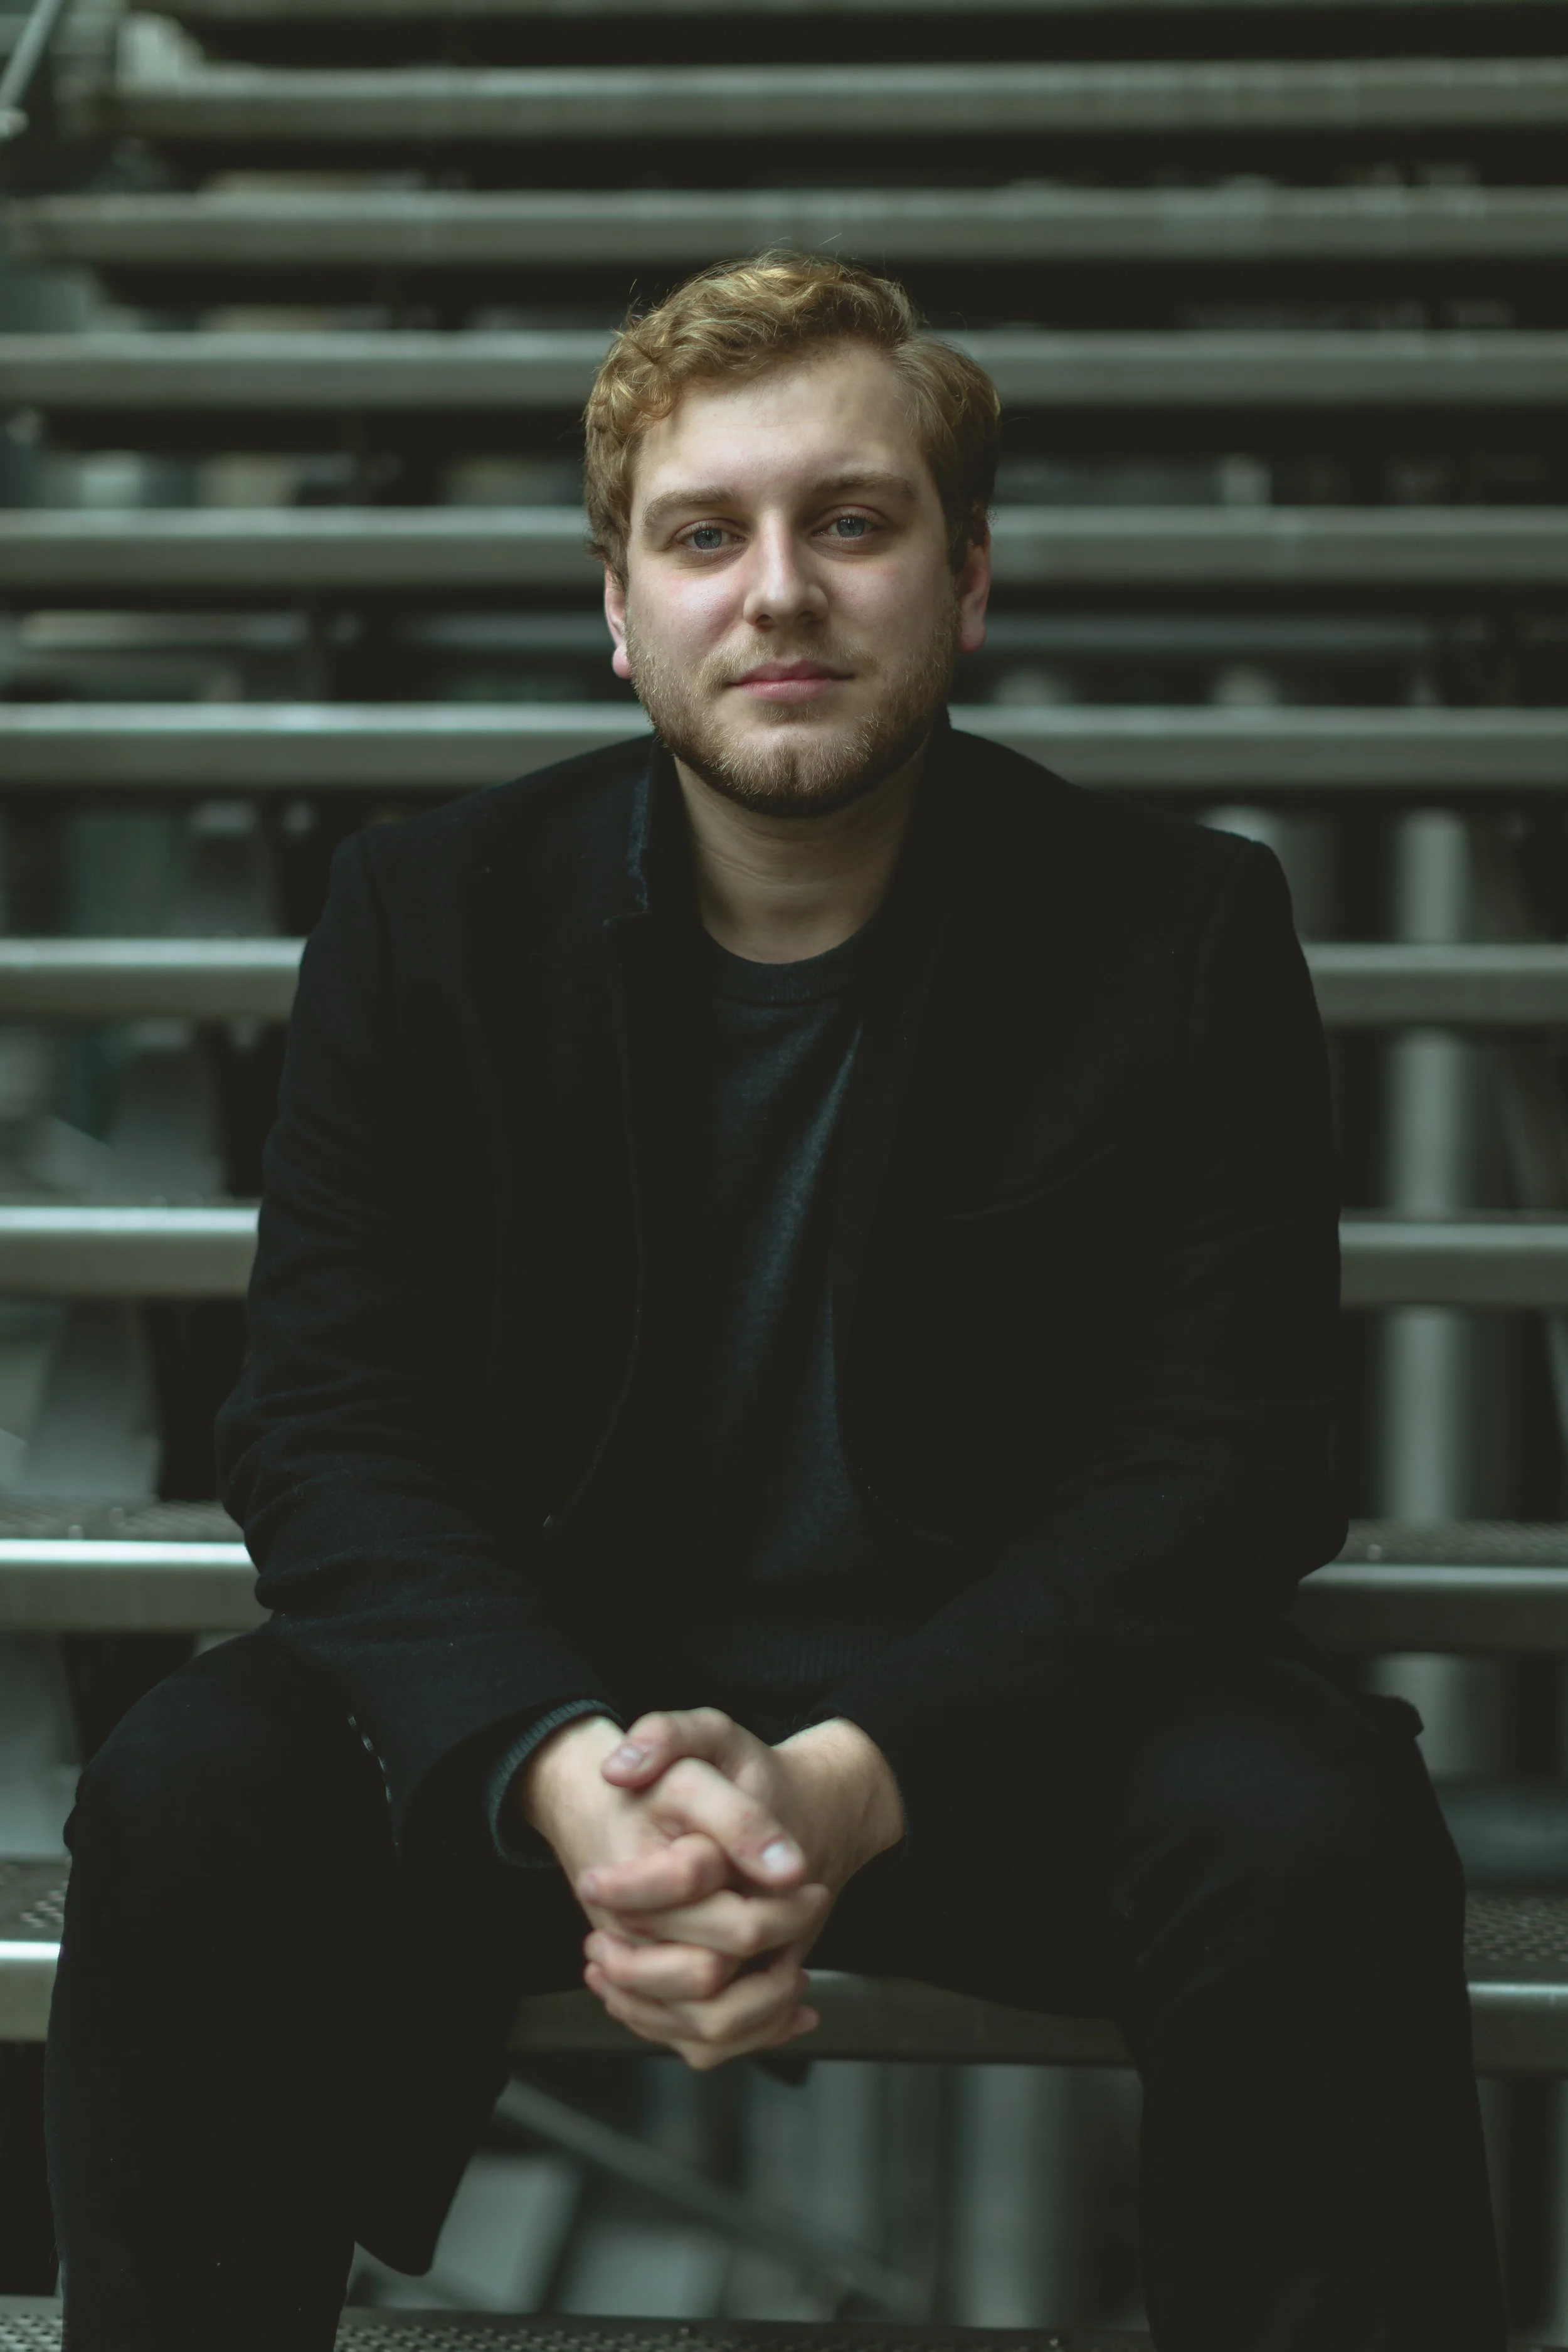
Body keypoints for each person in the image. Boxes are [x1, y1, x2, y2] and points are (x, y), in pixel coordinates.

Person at [45, 252, 1504, 2351]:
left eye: (852, 519)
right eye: (704, 534)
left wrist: (846, 1774)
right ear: (619, 611)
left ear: (966, 577)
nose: (780, 591)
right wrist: (562, 1770)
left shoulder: (1179, 930)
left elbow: (1225, 1461)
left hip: (986, 1718)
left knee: (1313, 1827)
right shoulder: (425, 918)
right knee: (193, 1788)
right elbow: (329, 1423)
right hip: (556, 1702)